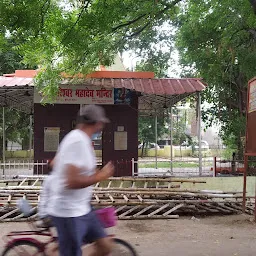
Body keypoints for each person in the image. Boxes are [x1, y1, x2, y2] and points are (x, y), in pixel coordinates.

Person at [48, 105, 115, 256]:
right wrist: (99, 177)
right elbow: (70, 181)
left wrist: (93, 173)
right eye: (101, 123)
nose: (101, 127)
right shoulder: (76, 141)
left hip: (83, 208)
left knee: (105, 246)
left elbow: (56, 164)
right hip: (69, 212)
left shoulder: (82, 140)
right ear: (97, 123)